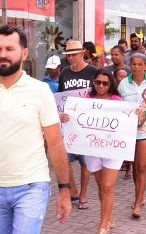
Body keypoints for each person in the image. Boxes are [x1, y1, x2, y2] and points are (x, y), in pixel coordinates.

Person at [0, 25, 72, 232]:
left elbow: (55, 142)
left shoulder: (40, 90)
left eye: (10, 49)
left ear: (24, 53)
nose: (3, 55)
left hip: (32, 187)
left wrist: (64, 189)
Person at [60, 70, 123, 233]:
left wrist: (137, 115)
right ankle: (109, 216)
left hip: (112, 148)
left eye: (105, 83)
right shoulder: (85, 100)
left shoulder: (118, 100)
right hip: (93, 149)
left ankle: (103, 225)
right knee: (102, 186)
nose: (101, 86)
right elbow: (75, 118)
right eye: (98, 82)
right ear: (93, 83)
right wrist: (66, 118)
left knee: (108, 186)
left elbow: (127, 120)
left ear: (111, 85)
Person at [117, 53, 146, 219]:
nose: (136, 67)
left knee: (142, 166)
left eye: (140, 64)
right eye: (134, 64)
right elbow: (117, 106)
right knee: (136, 168)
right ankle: (141, 195)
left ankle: (137, 204)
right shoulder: (123, 84)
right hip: (129, 132)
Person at [57, 39, 97, 210]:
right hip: (68, 122)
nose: (71, 58)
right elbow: (60, 97)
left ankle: (83, 194)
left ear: (82, 54)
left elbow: (101, 94)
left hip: (87, 122)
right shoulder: (64, 73)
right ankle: (72, 188)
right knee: (64, 157)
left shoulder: (94, 72)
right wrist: (60, 114)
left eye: (74, 55)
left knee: (84, 160)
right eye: (68, 55)